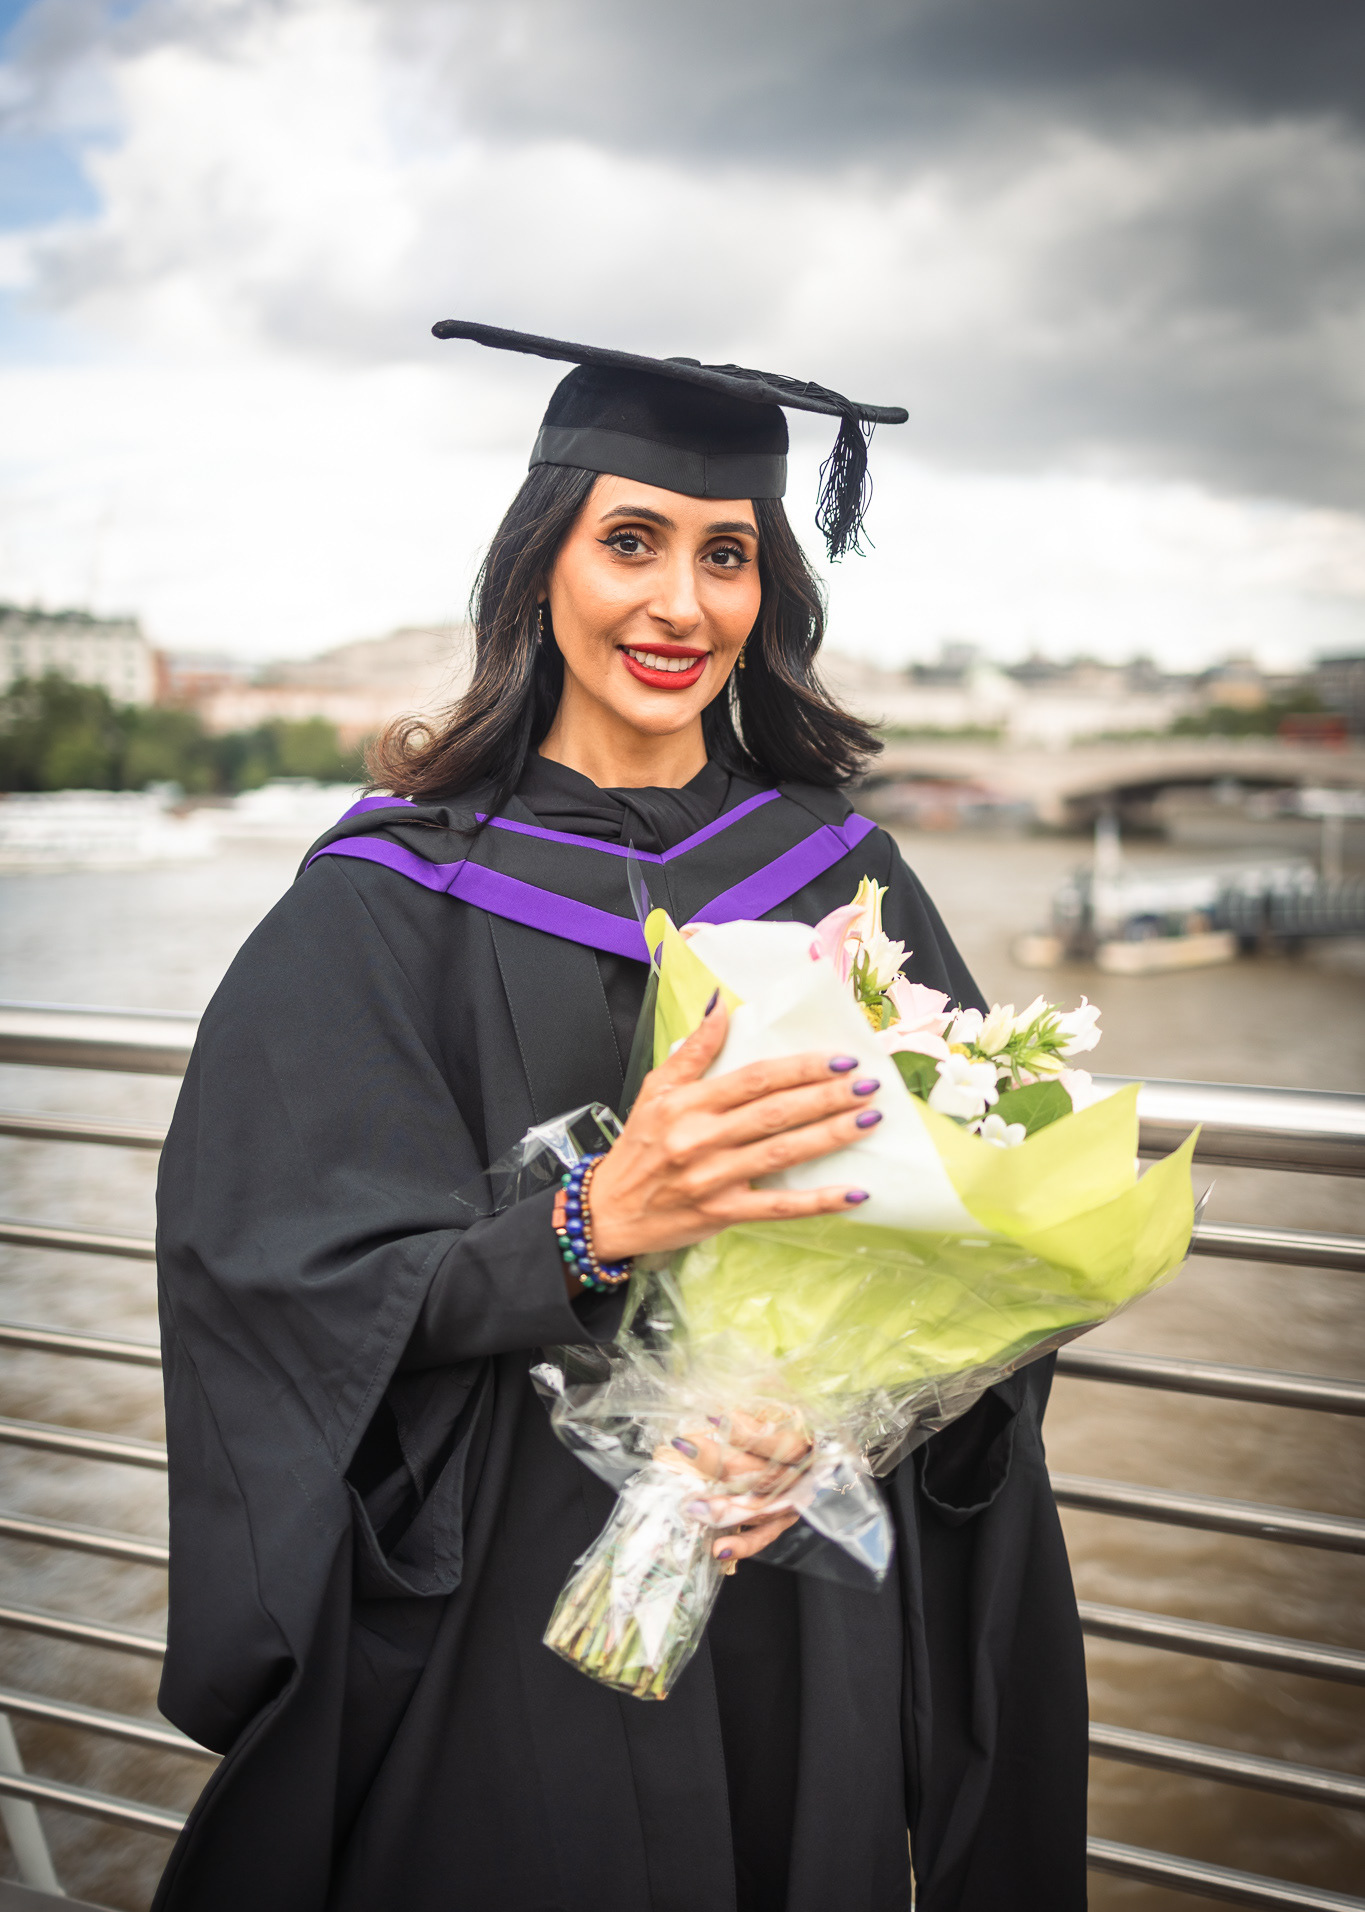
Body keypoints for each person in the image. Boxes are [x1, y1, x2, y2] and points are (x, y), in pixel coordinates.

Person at [153, 324, 1088, 1912]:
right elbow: (270, 1277)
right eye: (631, 541)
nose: (680, 603)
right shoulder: (389, 896)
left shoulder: (840, 874)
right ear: (538, 568)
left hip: (792, 1566)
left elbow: (987, 1213)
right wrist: (585, 1230)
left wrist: (838, 1421)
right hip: (514, 1598)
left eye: (726, 555)